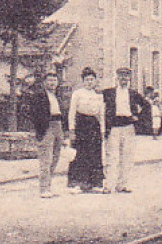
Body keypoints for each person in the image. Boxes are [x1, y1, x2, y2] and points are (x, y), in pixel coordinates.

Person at [102, 66, 146, 193]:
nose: (124, 79)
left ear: (129, 79)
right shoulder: (108, 93)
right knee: (112, 156)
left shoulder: (133, 94)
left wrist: (137, 117)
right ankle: (109, 185)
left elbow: (146, 105)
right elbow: (98, 104)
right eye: (121, 77)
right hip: (114, 127)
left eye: (126, 77)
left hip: (128, 126)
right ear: (117, 78)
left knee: (127, 156)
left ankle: (122, 184)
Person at [28, 68, 67, 197]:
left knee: (55, 157)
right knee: (46, 159)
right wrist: (41, 129)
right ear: (44, 82)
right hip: (47, 127)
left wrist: (64, 131)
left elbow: (63, 112)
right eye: (49, 80)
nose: (52, 82)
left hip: (58, 125)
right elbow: (32, 114)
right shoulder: (38, 95)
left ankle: (48, 186)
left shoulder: (58, 95)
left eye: (54, 80)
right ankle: (43, 188)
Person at [67, 67, 106, 192]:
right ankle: (78, 183)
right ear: (83, 81)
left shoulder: (98, 95)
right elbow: (72, 112)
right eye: (87, 80)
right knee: (81, 153)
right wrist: (71, 130)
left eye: (92, 79)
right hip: (81, 124)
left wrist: (102, 130)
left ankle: (95, 183)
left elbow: (101, 114)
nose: (89, 82)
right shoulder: (77, 94)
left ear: (95, 81)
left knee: (95, 153)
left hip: (94, 125)